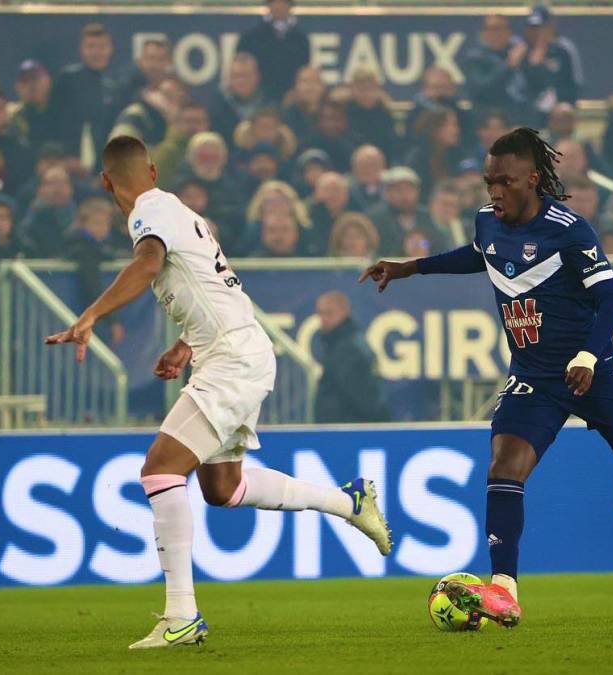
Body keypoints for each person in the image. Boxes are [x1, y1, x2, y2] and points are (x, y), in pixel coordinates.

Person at [358, 127, 613, 626]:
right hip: (534, 377)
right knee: (504, 467)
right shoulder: (487, 222)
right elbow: (480, 254)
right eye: (489, 181)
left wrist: (586, 354)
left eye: (505, 182)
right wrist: (411, 268)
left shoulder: (569, 229)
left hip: (592, 370)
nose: (494, 191)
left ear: (533, 178)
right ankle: (504, 589)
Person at [45, 135, 391, 648]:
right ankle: (348, 501)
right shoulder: (179, 211)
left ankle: (180, 615)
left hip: (232, 359)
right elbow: (217, 285)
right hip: (233, 351)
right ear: (155, 170)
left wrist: (91, 314)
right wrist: (187, 344)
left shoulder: (149, 213)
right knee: (222, 488)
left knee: (159, 469)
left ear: (104, 181)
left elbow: (146, 264)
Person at [314, 290, 390, 423]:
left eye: (329, 313)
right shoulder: (346, 342)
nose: (324, 319)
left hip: (346, 433)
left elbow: (363, 398)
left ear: (344, 312)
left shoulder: (346, 349)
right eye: (320, 313)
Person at [49, 23, 116, 162]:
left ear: (110, 49)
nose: (97, 52)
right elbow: (52, 122)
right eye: (91, 46)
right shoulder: (67, 79)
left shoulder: (112, 86)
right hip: (69, 163)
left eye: (102, 47)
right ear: (81, 49)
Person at [64, 198, 126, 344]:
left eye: (105, 223)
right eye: (96, 223)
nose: (102, 228)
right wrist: (112, 321)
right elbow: (93, 286)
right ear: (83, 224)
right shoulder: (84, 250)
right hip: (89, 314)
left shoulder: (104, 249)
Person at [461, 15, 539, 126]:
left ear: (509, 33)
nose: (495, 34)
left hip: (524, 117)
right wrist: (508, 66)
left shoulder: (520, 54)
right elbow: (481, 90)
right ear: (483, 34)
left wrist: (535, 66)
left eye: (500, 29)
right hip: (491, 120)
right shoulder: (475, 58)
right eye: (491, 29)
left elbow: (538, 87)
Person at [236, 0, 309, 103]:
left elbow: (304, 70)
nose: (278, 6)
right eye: (274, 2)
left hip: (291, 100)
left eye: (283, 2)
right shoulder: (251, 38)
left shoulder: (300, 39)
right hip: (256, 100)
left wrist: (294, 92)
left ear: (290, 5)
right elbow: (241, 68)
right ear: (268, 5)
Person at [521, 5, 582, 124]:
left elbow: (575, 85)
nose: (537, 32)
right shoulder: (523, 51)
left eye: (541, 27)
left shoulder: (564, 50)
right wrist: (534, 66)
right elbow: (523, 87)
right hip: (531, 112)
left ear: (551, 26)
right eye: (533, 28)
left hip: (559, 111)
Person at [367, 166, 442, 256]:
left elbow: (437, 245)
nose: (404, 195)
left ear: (417, 192)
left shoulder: (427, 216)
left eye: (409, 189)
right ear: (387, 193)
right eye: (398, 190)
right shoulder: (375, 219)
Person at [403, 106, 467, 198]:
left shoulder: (458, 155)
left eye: (456, 125)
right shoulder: (417, 158)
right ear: (434, 129)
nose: (456, 130)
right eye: (450, 125)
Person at [209, 53, 267, 148]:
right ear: (228, 78)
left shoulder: (269, 105)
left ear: (257, 77)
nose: (242, 81)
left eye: (246, 76)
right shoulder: (215, 108)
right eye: (237, 76)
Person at [111, 75, 187, 147]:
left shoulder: (186, 118)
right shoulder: (136, 114)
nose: (173, 101)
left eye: (179, 94)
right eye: (168, 95)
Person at [19, 165, 76, 257]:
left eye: (63, 183)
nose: (58, 188)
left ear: (71, 189)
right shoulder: (29, 225)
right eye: (51, 183)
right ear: (39, 190)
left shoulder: (81, 220)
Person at [344, 68, 399, 160]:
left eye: (369, 88)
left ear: (377, 89)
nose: (365, 94)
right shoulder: (345, 111)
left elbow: (392, 146)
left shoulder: (384, 113)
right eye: (361, 89)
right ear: (352, 89)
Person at [113, 38, 172, 113]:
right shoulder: (125, 92)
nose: (154, 65)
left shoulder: (177, 91)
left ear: (169, 62)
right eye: (150, 58)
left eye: (160, 59)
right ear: (140, 61)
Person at [12, 60, 55, 155]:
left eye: (36, 78)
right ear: (17, 87)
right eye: (25, 81)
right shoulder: (13, 117)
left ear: (48, 80)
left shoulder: (63, 111)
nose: (31, 85)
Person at [281, 66, 326, 141]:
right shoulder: (286, 116)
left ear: (323, 87)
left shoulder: (332, 116)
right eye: (305, 82)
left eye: (315, 81)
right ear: (295, 87)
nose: (310, 87)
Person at [348, 144, 386, 212]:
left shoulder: (391, 188)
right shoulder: (348, 192)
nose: (368, 169)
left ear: (383, 166)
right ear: (354, 169)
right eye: (363, 165)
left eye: (373, 164)